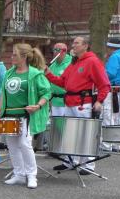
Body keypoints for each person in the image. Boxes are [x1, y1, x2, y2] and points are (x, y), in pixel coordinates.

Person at [44, 35, 111, 173]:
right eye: (73, 43)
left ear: (85, 46)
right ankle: (70, 161)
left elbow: (104, 84)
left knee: (85, 133)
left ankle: (88, 165)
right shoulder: (74, 63)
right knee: (70, 134)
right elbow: (63, 82)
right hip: (70, 102)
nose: (73, 45)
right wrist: (48, 74)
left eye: (77, 43)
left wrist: (99, 100)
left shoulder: (92, 61)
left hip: (83, 103)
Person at [0, 44, 52, 188]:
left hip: (26, 116)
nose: (11, 57)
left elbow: (47, 92)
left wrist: (38, 106)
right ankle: (19, 174)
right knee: (12, 146)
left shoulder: (35, 74)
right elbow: (4, 91)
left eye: (14, 55)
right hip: (9, 114)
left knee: (25, 144)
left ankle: (31, 175)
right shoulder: (9, 73)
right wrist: (1, 105)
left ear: (24, 57)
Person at [47, 43, 73, 117]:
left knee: (64, 123)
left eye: (58, 50)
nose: (55, 52)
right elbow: (49, 83)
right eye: (54, 50)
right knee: (55, 123)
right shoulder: (52, 65)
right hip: (54, 101)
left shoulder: (70, 63)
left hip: (66, 102)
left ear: (64, 51)